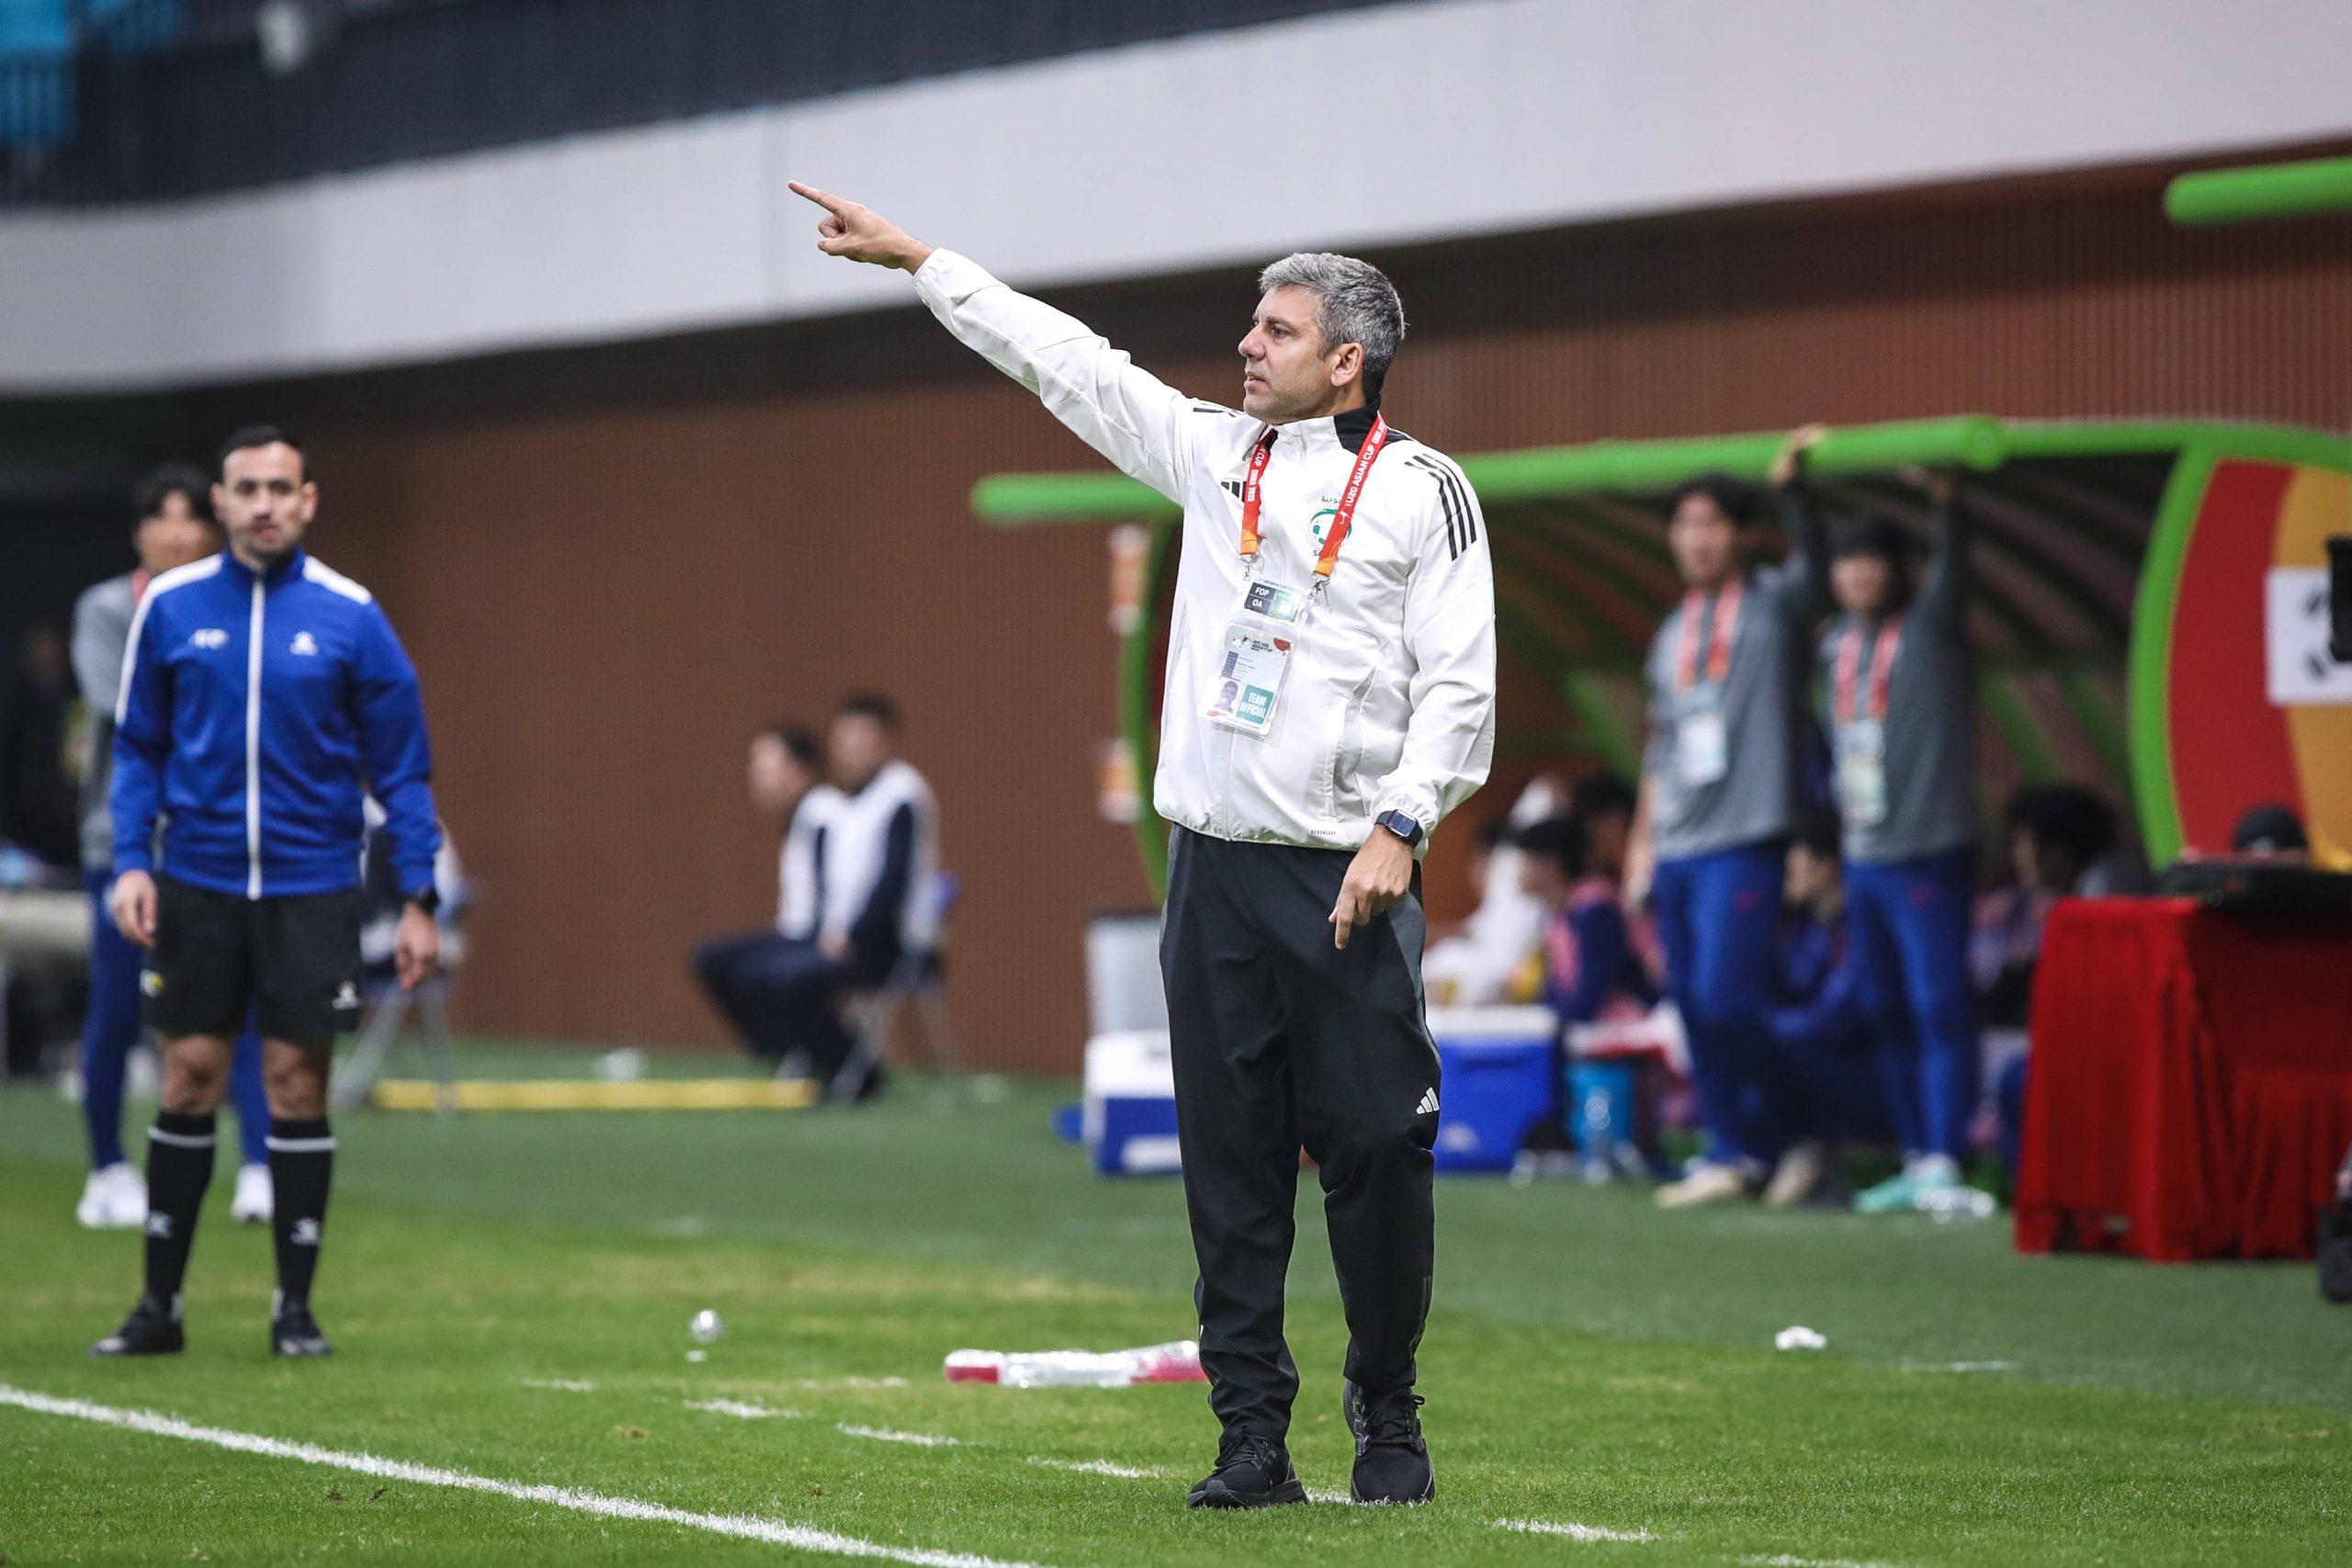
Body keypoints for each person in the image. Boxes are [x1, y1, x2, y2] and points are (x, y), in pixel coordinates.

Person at [790, 180, 1494, 1508]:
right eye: (1251, 324)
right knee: (1227, 1163)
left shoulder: (1423, 493)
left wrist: (1406, 822)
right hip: (1212, 874)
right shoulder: (1210, 452)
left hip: (1346, 868)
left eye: (1276, 331)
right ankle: (1251, 1434)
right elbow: (1067, 363)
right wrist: (924, 261)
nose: (1246, 345)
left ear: (1347, 359)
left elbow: (1461, 686)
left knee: (1377, 1150)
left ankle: (1386, 1406)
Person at [93, 426, 443, 1360]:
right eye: (246, 488)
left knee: (296, 1087)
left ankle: (295, 1310)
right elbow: (136, 748)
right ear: (221, 502)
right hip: (197, 882)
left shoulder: (350, 614)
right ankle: (158, 1308)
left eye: (280, 488)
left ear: (308, 501)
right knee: (189, 1077)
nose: (263, 504)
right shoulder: (169, 609)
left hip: (312, 886)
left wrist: (419, 896)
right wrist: (133, 859)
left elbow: (402, 770)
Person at [1626, 429, 1828, 1209]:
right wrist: (1641, 846)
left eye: (1713, 524)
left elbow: (1814, 572)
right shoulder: (1673, 633)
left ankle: (1790, 1137)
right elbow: (1661, 746)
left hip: (1746, 836)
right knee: (1694, 1003)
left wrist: (1795, 494)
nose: (1697, 539)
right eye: (1685, 525)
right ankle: (1734, 1150)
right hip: (1677, 842)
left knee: (1725, 997)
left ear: (1742, 536)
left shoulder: (1772, 606)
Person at [69, 467, 275, 1232]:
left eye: (192, 518)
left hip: (213, 843)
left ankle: (259, 1163)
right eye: (163, 518)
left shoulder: (238, 604)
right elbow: (124, 712)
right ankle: (107, 1168)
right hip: (123, 845)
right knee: (118, 1011)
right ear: (139, 531)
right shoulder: (106, 609)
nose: (178, 532)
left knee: (238, 1009)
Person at [1800, 461, 1990, 1217]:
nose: (1856, 574)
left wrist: (1948, 503)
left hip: (1929, 849)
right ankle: (1917, 1155)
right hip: (1864, 853)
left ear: (1899, 571)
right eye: (1847, 562)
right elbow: (1805, 565)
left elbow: (1956, 565)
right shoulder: (1832, 646)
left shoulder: (1932, 628)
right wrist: (1797, 501)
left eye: (1872, 561)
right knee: (1883, 1008)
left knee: (1938, 1003)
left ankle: (1948, 1154)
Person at [1758, 819, 1898, 1207]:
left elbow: (1837, 1017)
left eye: (1795, 867)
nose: (1786, 877)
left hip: (1866, 1076)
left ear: (1827, 867)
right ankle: (1776, 1156)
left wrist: (1766, 1032)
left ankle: (1807, 1155)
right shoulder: (1802, 930)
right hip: (1816, 1059)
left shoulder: (1860, 929)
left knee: (1767, 1050)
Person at [692, 724, 834, 1063]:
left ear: (797, 772)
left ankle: (822, 1055)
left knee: (769, 973)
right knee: (715, 959)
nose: (756, 776)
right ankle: (782, 1047)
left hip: (822, 936)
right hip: (799, 933)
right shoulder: (800, 819)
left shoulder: (824, 816)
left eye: (765, 767)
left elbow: (839, 888)